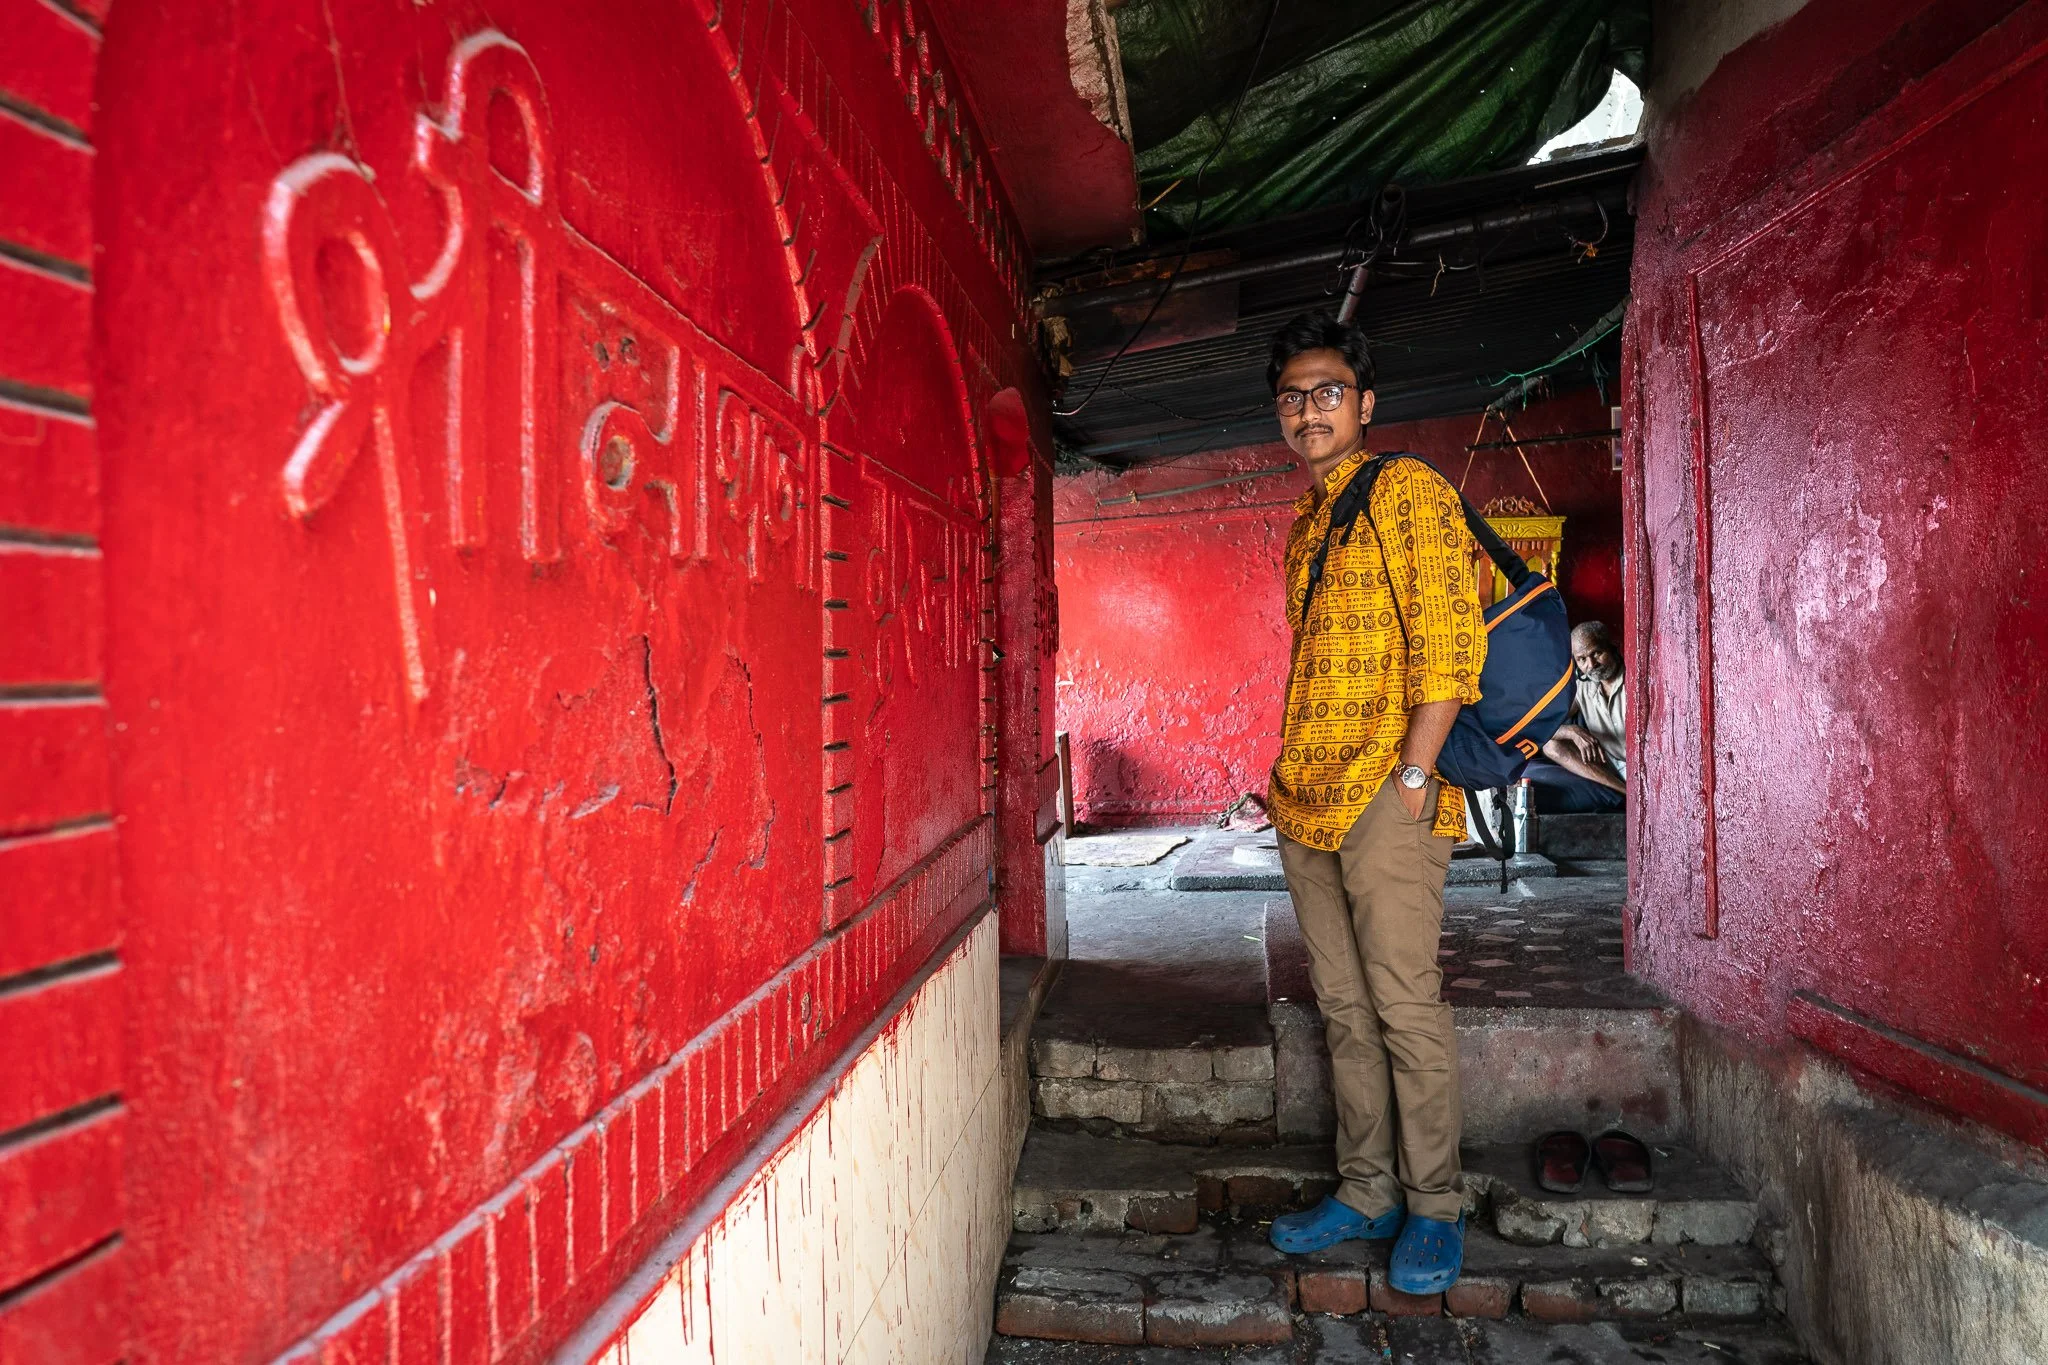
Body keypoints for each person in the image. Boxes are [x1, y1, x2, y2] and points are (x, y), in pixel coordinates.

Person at [1261, 312, 1480, 1295]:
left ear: (1364, 404)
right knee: (1344, 1008)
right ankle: (1366, 1189)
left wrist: (1414, 775)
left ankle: (1433, 1203)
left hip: (1386, 789)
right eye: (1292, 396)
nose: (1309, 411)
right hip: (1305, 795)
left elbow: (1451, 644)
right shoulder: (1307, 521)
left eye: (1327, 393)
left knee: (1401, 1002)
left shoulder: (1406, 491)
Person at [1522, 621, 1626, 813]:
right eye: (1582, 659)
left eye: (1597, 653)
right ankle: (1626, 793)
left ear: (1612, 647)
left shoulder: (1632, 679)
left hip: (1641, 768)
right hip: (1609, 766)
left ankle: (1629, 793)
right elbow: (1539, 725)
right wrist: (1572, 731)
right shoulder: (1584, 686)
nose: (1591, 665)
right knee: (1551, 745)